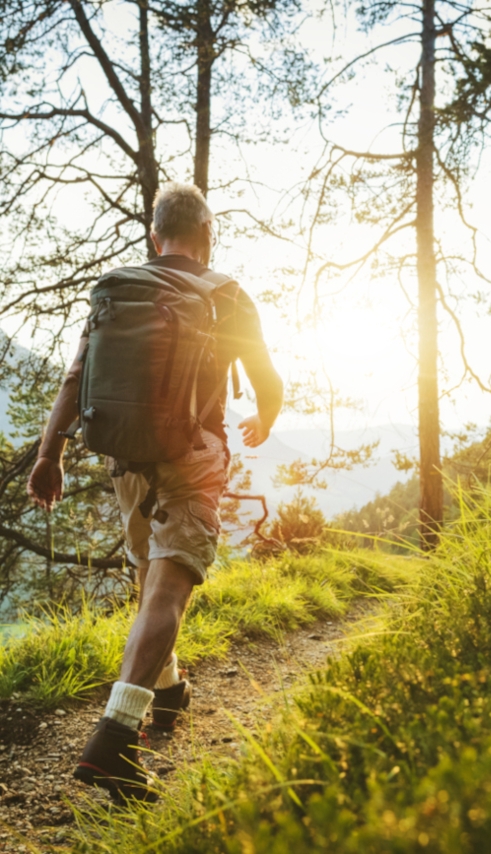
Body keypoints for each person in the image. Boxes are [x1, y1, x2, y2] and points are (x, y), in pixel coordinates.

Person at [26, 182, 283, 802]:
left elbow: (75, 376)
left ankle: (168, 691)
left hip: (125, 456)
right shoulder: (226, 294)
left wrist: (48, 455)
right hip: (192, 456)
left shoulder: (116, 289)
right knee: (168, 589)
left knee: (149, 579)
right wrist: (264, 418)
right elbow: (267, 381)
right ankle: (115, 737)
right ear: (208, 237)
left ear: (154, 234)